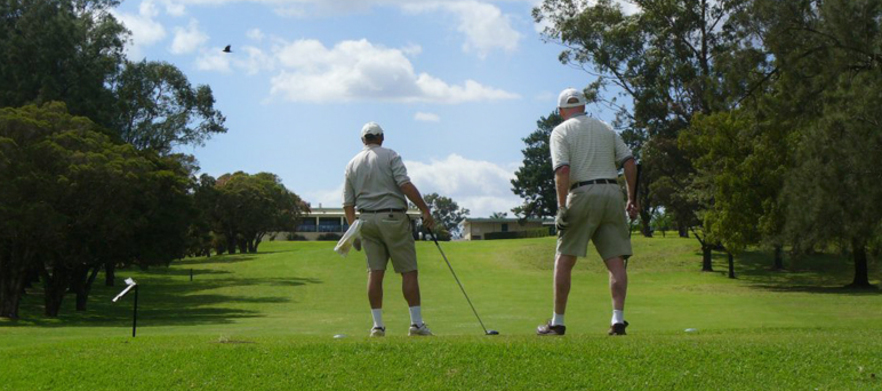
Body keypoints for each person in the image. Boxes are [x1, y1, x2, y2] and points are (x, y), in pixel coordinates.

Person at [536, 88, 639, 336]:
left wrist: (561, 207)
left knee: (564, 259)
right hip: (612, 193)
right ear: (583, 106)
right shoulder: (606, 128)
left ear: (561, 111)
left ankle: (557, 322)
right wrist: (632, 198)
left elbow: (562, 170)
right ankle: (617, 320)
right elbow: (629, 162)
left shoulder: (560, 131)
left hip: (582, 193)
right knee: (615, 261)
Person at [343, 122, 437, 337]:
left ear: (362, 140)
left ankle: (377, 326)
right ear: (382, 138)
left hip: (365, 220)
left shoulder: (352, 163)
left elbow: (348, 203)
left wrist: (353, 229)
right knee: (408, 271)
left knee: (375, 272)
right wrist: (424, 209)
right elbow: (404, 184)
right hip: (393, 217)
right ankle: (416, 324)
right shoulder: (391, 155)